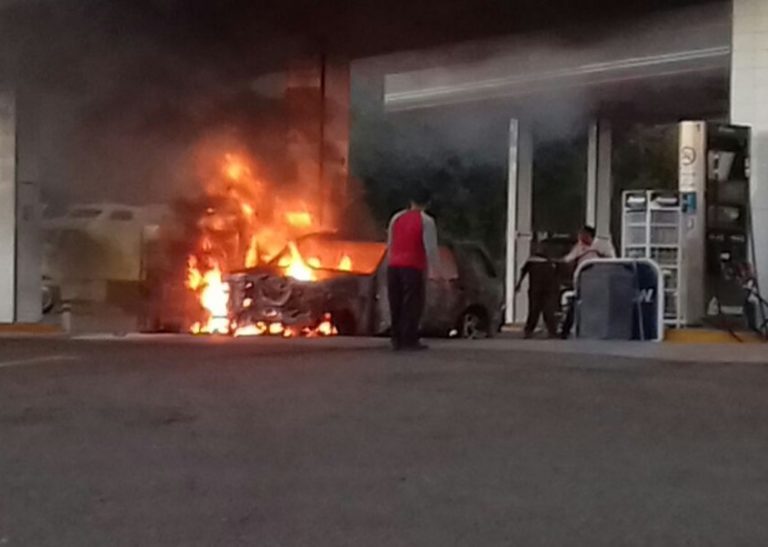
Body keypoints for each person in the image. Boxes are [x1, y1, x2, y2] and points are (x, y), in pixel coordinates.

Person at [386, 187, 440, 351]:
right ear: (428, 203)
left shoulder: (396, 218)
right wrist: (435, 270)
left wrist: (390, 261)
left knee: (396, 302)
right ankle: (409, 338)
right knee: (412, 303)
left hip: (394, 265)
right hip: (413, 266)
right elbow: (430, 247)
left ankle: (396, 338)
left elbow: (390, 242)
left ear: (410, 201)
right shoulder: (426, 221)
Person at [559, 225, 616, 338]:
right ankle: (566, 331)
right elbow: (569, 258)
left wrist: (599, 254)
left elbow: (612, 259)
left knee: (598, 306)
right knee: (575, 304)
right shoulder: (579, 246)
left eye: (583, 234)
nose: (580, 237)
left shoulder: (602, 244)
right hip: (583, 280)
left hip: (599, 280)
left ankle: (600, 330)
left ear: (589, 235)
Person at [515, 242, 559, 339]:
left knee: (548, 311)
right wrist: (518, 284)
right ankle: (529, 331)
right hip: (536, 289)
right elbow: (523, 271)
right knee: (534, 310)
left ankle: (552, 331)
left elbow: (555, 276)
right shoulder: (533, 260)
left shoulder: (549, 261)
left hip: (547, 289)